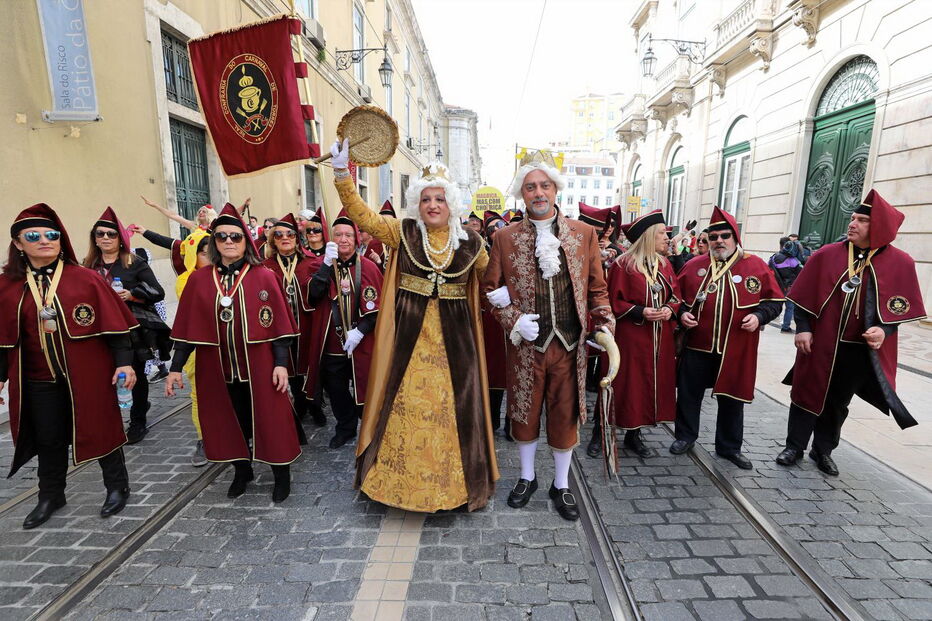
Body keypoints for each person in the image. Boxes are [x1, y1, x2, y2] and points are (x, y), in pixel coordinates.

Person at [330, 139, 498, 513]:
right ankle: (394, 488)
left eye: (439, 199)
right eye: (426, 199)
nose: (433, 205)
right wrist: (343, 174)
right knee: (402, 407)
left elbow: (493, 280)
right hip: (407, 342)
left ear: (450, 203)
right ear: (417, 204)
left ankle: (455, 489)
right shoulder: (402, 232)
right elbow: (362, 216)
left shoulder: (472, 243)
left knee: (453, 410)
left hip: (457, 346)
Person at [483, 149, 614, 521]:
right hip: (527, 347)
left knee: (564, 414)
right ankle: (527, 477)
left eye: (544, 185)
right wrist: (512, 319)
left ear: (555, 190)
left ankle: (561, 484)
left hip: (571, 346)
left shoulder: (584, 234)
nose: (538, 193)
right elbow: (490, 288)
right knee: (523, 413)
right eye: (529, 187)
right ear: (521, 195)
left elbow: (597, 288)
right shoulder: (504, 238)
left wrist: (603, 323)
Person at [0, 204, 137, 528]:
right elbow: (4, 339)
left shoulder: (86, 279)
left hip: (87, 376)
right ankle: (51, 494)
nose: (45, 240)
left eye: (52, 235)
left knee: (102, 430)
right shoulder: (6, 286)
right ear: (18, 243)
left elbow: (117, 331)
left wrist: (125, 366)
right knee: (49, 439)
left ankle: (117, 487)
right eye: (34, 236)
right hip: (38, 379)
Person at [776, 190, 926, 475]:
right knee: (806, 393)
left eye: (862, 220)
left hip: (858, 350)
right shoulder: (827, 254)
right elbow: (805, 296)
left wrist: (884, 330)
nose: (852, 224)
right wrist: (804, 329)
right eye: (852, 218)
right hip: (820, 343)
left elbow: (899, 310)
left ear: (879, 227)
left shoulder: (901, 263)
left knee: (837, 402)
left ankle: (823, 451)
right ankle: (794, 446)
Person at [165, 204, 301, 502]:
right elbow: (186, 330)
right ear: (214, 242)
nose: (229, 241)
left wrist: (281, 365)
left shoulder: (264, 277)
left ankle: (281, 473)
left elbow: (279, 326)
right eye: (222, 236)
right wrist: (175, 368)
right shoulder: (199, 281)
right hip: (216, 368)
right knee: (228, 422)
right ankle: (242, 470)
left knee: (271, 420)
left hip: (260, 366)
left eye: (235, 237)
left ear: (245, 241)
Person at [671, 206, 783, 469]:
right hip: (698, 344)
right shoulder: (694, 266)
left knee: (732, 398)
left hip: (736, 348)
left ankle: (729, 447)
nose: (719, 241)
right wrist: (682, 314)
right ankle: (685, 437)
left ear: (735, 238)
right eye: (713, 237)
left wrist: (759, 316)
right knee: (689, 394)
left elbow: (775, 301)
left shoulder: (755, 266)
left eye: (724, 236)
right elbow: (676, 300)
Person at [590, 210, 680, 459]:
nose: (667, 237)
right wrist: (640, 311)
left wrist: (668, 310)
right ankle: (600, 432)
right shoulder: (623, 265)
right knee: (619, 383)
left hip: (658, 339)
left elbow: (676, 297)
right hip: (628, 338)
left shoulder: (665, 264)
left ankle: (634, 435)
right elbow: (612, 301)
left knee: (644, 386)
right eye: (662, 233)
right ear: (649, 236)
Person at [84, 207, 170, 445]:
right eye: (100, 234)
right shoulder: (89, 265)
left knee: (134, 375)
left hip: (131, 329)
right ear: (94, 238)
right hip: (100, 330)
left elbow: (158, 292)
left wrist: (131, 295)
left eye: (111, 234)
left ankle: (138, 420)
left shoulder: (134, 262)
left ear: (120, 238)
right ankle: (109, 420)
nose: (105, 238)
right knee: (104, 375)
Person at [305, 208, 382, 447]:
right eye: (338, 234)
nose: (343, 239)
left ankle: (370, 428)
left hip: (363, 341)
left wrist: (360, 331)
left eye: (348, 234)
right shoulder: (320, 266)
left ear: (356, 238)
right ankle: (346, 427)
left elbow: (376, 307)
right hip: (332, 344)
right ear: (331, 239)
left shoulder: (368, 267)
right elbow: (312, 296)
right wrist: (326, 265)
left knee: (365, 387)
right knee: (337, 390)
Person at [262, 214, 324, 427]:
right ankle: (299, 403)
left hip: (307, 324)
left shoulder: (311, 262)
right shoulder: (265, 267)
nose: (284, 238)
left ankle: (315, 405)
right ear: (273, 240)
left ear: (297, 239)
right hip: (281, 330)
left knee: (310, 365)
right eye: (279, 235)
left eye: (290, 234)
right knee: (289, 367)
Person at [481, 210, 510, 438]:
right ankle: (490, 423)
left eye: (500, 226)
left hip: (516, 320)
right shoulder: (483, 254)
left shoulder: (517, 250)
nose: (496, 231)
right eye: (492, 228)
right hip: (490, 321)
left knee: (516, 376)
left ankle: (514, 426)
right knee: (494, 374)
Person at [769, 236, 805, 333]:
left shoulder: (773, 257)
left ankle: (763, 322)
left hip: (776, 286)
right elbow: (801, 273)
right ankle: (785, 327)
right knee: (789, 308)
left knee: (772, 304)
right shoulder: (793, 261)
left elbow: (768, 271)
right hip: (789, 288)